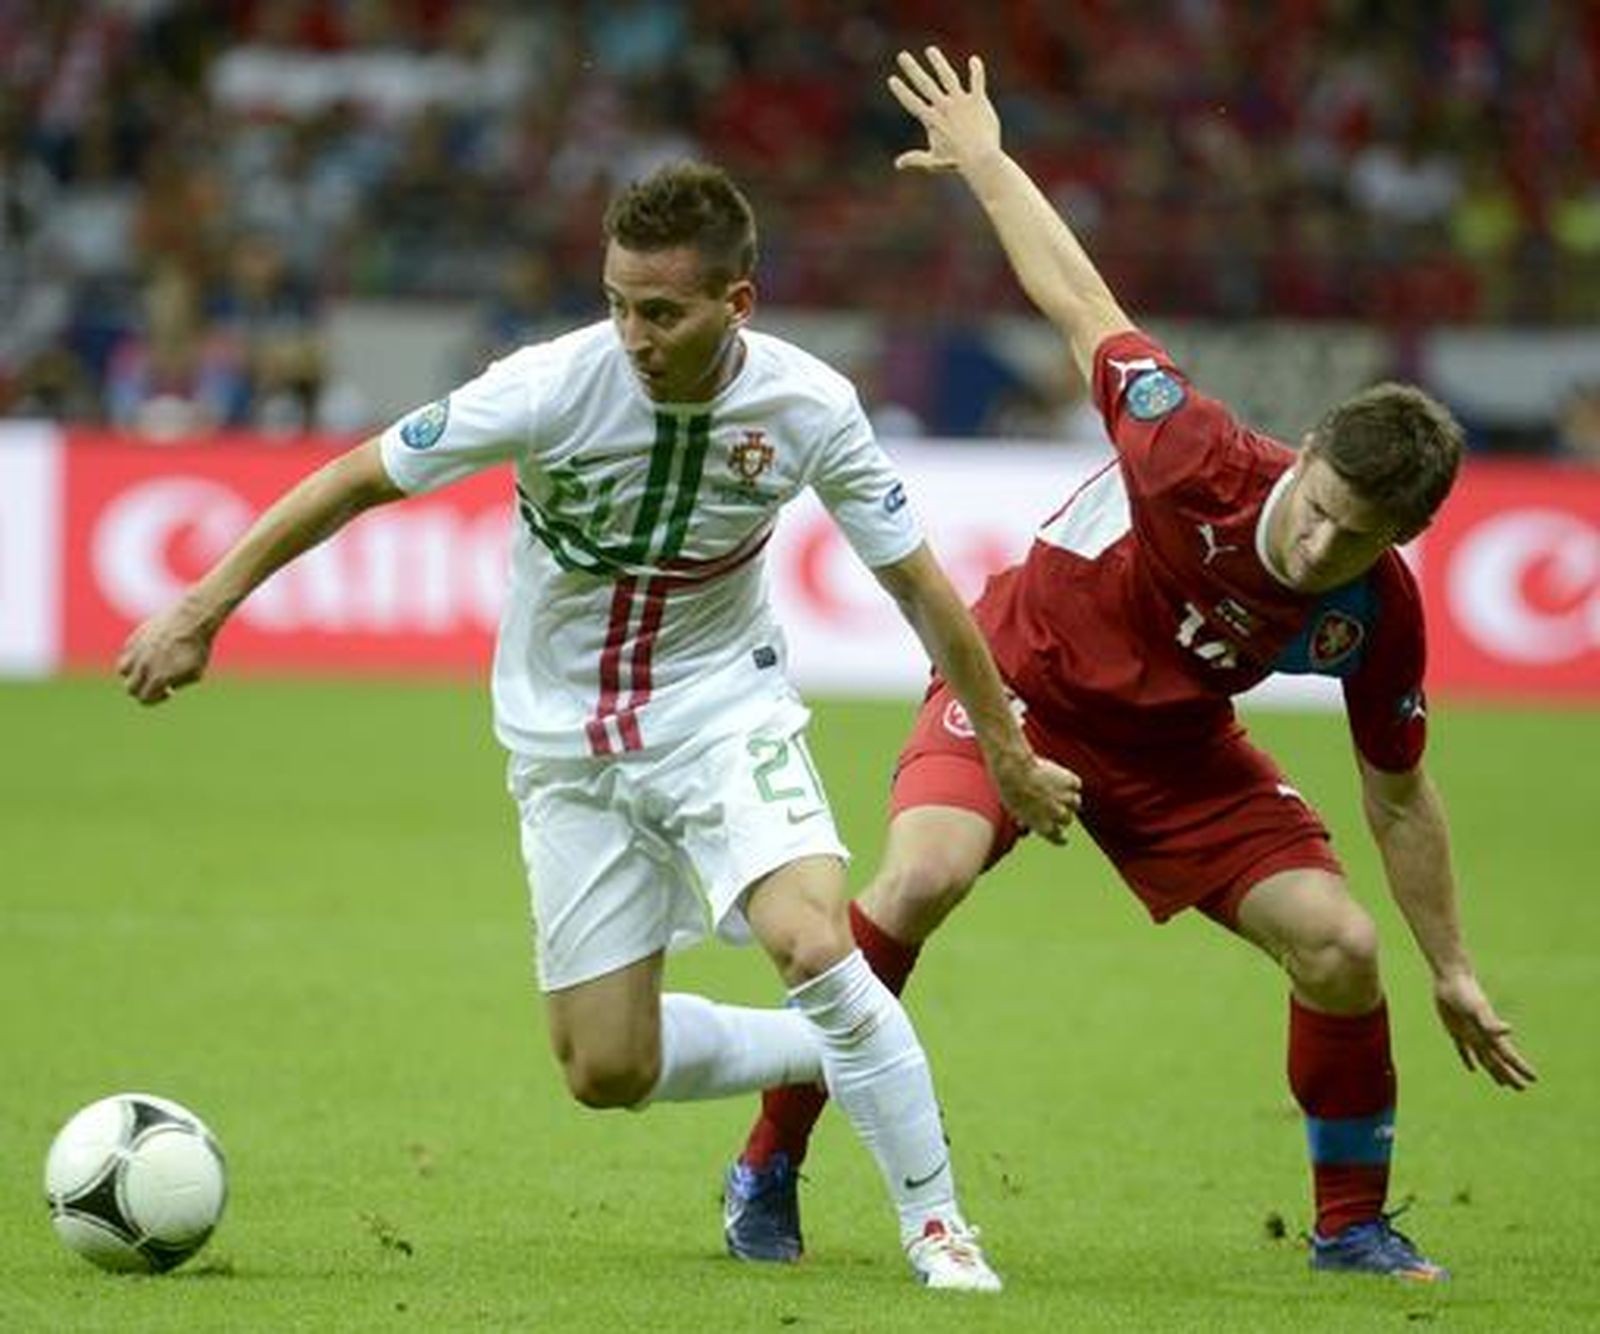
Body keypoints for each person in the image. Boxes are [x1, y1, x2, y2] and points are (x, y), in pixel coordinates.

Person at [116, 159, 1081, 1292]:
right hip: (562, 743)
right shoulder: (547, 385)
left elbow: (922, 588)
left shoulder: (810, 406)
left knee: (815, 941)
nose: (632, 331)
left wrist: (1005, 751)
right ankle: (844, 1043)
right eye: (618, 301)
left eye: (661, 310)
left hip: (723, 704)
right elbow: (353, 479)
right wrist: (200, 605)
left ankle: (938, 1226)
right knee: (604, 1067)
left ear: (739, 303)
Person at [723, 49, 1537, 1282]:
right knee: (923, 874)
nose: (1321, 542)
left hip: (1174, 750)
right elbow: (1081, 303)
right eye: (1318, 504)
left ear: (1400, 537)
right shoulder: (1190, 449)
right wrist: (988, 160)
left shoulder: (1376, 610)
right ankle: (767, 1160)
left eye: (1358, 534)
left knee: (1339, 945)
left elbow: (1399, 790)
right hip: (1019, 686)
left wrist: (1455, 967)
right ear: (1305, 450)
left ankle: (1350, 1224)